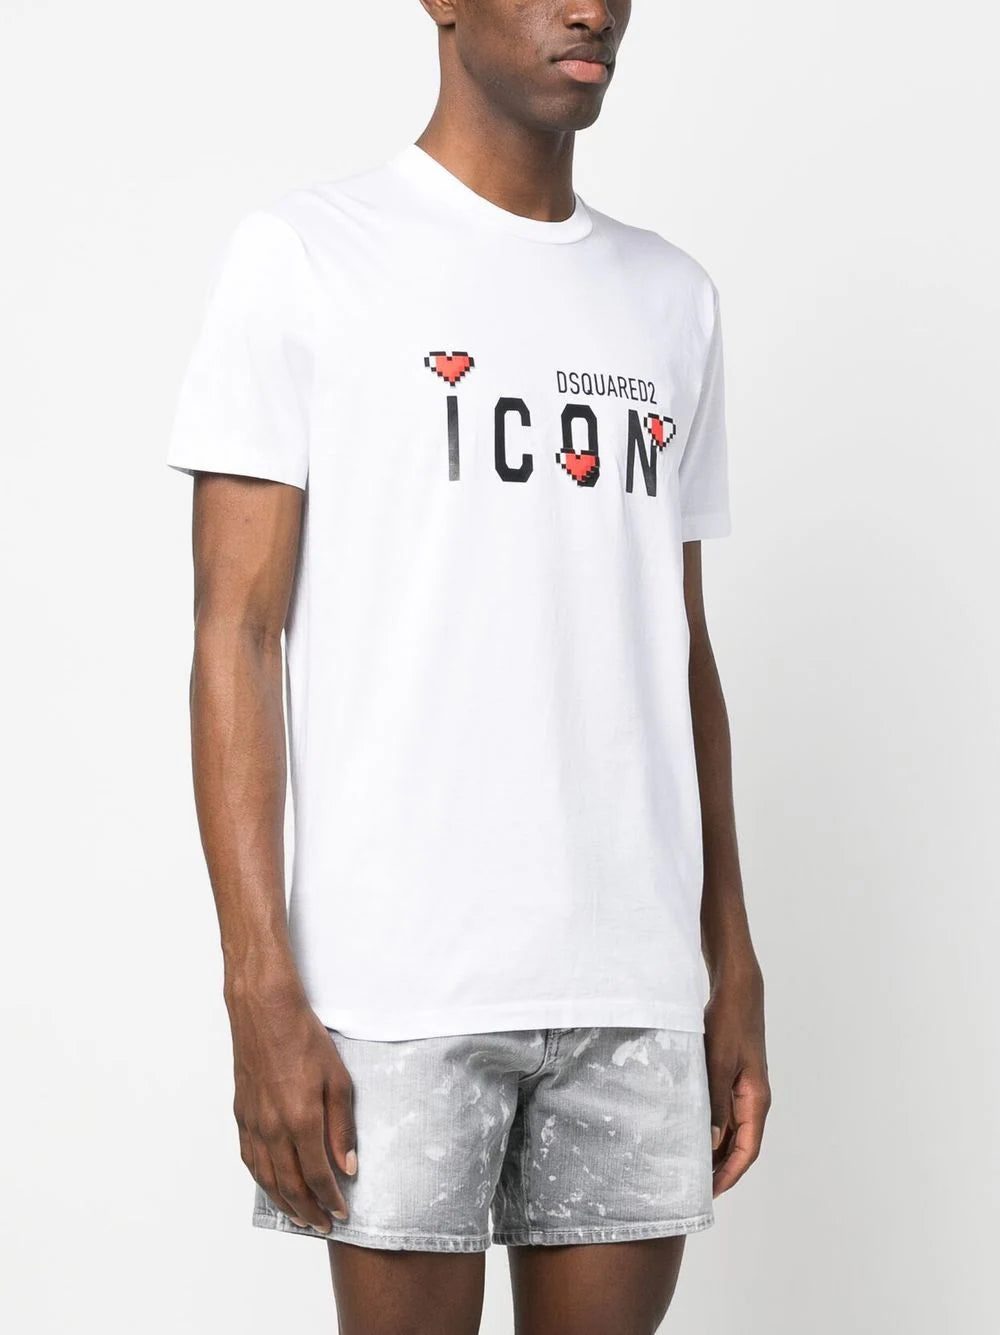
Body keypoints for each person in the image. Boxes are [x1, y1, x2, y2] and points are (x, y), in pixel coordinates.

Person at [167, 2, 770, 1331]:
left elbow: (680, 648)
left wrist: (731, 959)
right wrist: (258, 985)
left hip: (633, 987)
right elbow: (234, 637)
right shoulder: (308, 256)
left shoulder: (673, 299)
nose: (594, 8)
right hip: (398, 993)